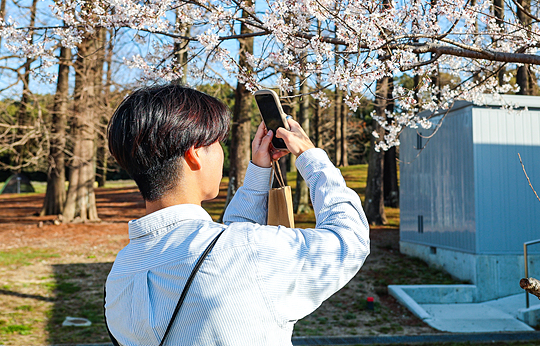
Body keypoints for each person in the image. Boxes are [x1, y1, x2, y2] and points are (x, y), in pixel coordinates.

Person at [104, 84, 369, 346]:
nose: (222, 153)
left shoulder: (121, 272)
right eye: (218, 143)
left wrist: (258, 171)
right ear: (195, 154)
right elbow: (349, 239)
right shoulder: (244, 251)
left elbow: (225, 252)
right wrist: (311, 159)